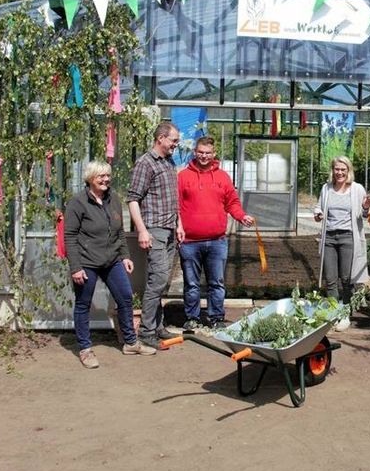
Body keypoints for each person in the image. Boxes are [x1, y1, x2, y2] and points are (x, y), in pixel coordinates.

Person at [64, 160, 157, 368]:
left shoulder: (113, 199)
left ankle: (131, 342)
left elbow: (119, 233)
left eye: (108, 175)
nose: (106, 179)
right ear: (90, 179)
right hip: (87, 261)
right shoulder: (77, 203)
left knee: (124, 297)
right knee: (83, 304)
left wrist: (125, 256)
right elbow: (69, 237)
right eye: (101, 176)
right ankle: (85, 349)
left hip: (112, 260)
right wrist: (76, 267)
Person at [177, 136, 254, 331]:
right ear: (195, 152)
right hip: (190, 242)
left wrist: (241, 216)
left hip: (217, 241)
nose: (204, 156)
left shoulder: (223, 177)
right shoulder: (183, 176)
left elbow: (232, 203)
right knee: (192, 283)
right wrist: (178, 227)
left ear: (214, 154)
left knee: (216, 282)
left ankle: (216, 317)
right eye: (201, 152)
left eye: (208, 153)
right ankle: (192, 317)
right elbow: (176, 205)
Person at [126, 121, 183, 349]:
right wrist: (142, 230)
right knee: (156, 280)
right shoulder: (145, 163)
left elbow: (172, 199)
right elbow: (132, 199)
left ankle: (157, 326)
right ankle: (147, 332)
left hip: (169, 229)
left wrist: (178, 224)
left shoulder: (168, 162)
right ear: (161, 138)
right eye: (173, 140)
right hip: (155, 230)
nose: (176, 145)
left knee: (162, 282)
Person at [313, 156, 370, 331]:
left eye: (343, 169)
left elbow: (365, 214)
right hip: (329, 238)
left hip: (348, 237)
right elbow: (318, 207)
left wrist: (367, 206)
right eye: (337, 169)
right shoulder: (326, 189)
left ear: (348, 171)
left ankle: (345, 312)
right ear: (333, 170)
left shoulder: (357, 189)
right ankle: (333, 313)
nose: (339, 172)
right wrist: (318, 213)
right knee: (330, 279)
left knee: (346, 278)